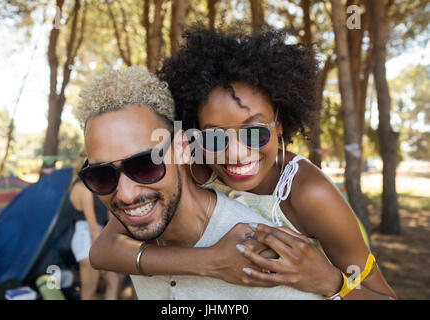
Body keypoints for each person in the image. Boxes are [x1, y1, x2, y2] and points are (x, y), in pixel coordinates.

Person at [86, 27, 396, 299]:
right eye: (215, 138)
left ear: (280, 124)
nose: (235, 153)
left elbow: (383, 295)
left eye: (255, 133)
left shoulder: (307, 193)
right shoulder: (192, 166)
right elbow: (103, 250)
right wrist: (208, 262)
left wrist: (329, 281)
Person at [75, 65, 326, 299]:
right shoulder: (138, 233)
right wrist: (208, 261)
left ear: (183, 148)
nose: (126, 195)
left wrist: (335, 283)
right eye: (101, 175)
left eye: (145, 165)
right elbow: (101, 252)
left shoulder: (259, 254)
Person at [68, 158, 124, 300]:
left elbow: (109, 218)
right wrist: (102, 253)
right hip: (88, 239)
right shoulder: (82, 188)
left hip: (96, 237)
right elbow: (92, 226)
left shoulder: (93, 188)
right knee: (88, 293)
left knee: (114, 280)